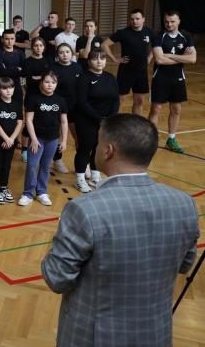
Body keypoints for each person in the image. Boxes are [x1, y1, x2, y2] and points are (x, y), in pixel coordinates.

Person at [41, 114, 200, 347]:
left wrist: (55, 241)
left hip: (93, 338)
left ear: (108, 151)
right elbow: (185, 265)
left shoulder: (84, 210)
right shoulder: (185, 204)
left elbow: (56, 278)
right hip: (155, 335)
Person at [148, 10, 196, 154]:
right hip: (160, 78)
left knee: (176, 109)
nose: (169, 24)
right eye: (167, 22)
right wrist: (182, 58)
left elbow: (193, 59)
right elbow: (159, 60)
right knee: (156, 109)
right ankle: (151, 140)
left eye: (172, 21)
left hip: (178, 78)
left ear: (179, 21)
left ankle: (171, 139)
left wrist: (169, 55)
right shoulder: (158, 37)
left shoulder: (186, 36)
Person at [18, 71, 67, 207]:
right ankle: (28, 193)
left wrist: (63, 140)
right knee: (32, 165)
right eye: (47, 82)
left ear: (56, 84)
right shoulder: (34, 98)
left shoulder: (60, 100)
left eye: (53, 82)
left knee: (46, 166)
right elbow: (28, 120)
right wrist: (33, 139)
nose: (50, 85)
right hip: (37, 138)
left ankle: (41, 192)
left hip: (53, 139)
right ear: (41, 83)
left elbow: (64, 122)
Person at [74, 49, 119, 193]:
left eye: (102, 58)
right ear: (88, 61)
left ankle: (95, 177)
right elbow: (82, 102)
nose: (99, 61)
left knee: (99, 149)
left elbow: (115, 99)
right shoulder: (83, 77)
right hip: (86, 119)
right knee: (85, 149)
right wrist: (100, 119)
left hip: (105, 121)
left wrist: (110, 117)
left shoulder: (110, 77)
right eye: (95, 58)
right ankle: (80, 180)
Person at [103, 8, 154, 115]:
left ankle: (135, 122)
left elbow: (156, 46)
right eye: (132, 19)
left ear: (143, 19)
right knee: (120, 100)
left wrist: (149, 58)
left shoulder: (148, 32)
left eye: (137, 19)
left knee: (139, 101)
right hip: (125, 71)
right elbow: (104, 44)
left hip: (142, 72)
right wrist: (115, 59)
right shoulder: (123, 33)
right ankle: (114, 122)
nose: (134, 21)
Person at [0, 77, 23, 205]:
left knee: (6, 165)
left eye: (10, 87)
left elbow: (19, 123)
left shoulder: (16, 104)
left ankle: (3, 187)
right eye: (4, 88)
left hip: (11, 142)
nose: (8, 91)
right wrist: (6, 138)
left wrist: (12, 139)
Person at [50, 43, 83, 174]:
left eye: (67, 52)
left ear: (72, 53)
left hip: (75, 107)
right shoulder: (53, 68)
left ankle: (82, 165)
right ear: (57, 55)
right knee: (58, 135)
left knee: (78, 136)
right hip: (58, 107)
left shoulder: (77, 67)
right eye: (61, 52)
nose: (65, 54)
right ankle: (57, 160)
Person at [21, 37, 51, 162]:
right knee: (29, 122)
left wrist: (37, 78)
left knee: (41, 121)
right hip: (31, 95)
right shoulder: (27, 61)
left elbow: (50, 78)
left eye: (41, 45)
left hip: (45, 95)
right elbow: (29, 78)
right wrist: (42, 78)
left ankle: (39, 145)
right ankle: (24, 149)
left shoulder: (48, 60)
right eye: (36, 45)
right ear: (32, 47)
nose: (38, 48)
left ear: (44, 47)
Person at [0, 29, 25, 108]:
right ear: (2, 39)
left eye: (12, 39)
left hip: (17, 86)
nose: (9, 41)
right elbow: (2, 72)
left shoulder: (20, 53)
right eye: (7, 39)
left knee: (18, 109)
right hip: (3, 86)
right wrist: (17, 69)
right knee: (3, 110)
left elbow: (24, 71)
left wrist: (8, 69)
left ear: (15, 39)